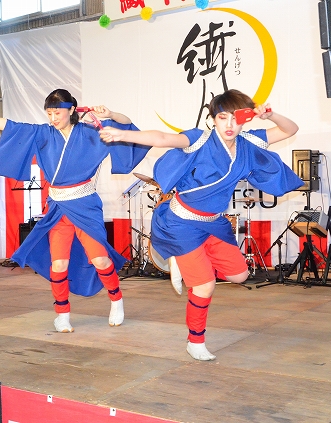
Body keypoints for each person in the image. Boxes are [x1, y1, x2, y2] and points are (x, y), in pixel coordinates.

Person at [99, 89, 303, 360]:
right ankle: (195, 341)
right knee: (205, 285)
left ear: (246, 119)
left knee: (239, 276)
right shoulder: (199, 139)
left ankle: (183, 261)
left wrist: (271, 115)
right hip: (181, 222)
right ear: (213, 118)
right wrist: (121, 135)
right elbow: (162, 138)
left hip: (213, 222)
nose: (229, 125)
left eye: (236, 118)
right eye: (223, 117)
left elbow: (290, 130)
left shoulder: (249, 141)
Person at [0, 88, 150, 332]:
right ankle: (62, 313)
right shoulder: (44, 133)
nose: (53, 118)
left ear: (71, 110)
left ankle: (116, 299)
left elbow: (125, 125)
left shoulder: (91, 132)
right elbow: (10, 126)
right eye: (49, 113)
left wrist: (111, 114)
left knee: (100, 259)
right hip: (58, 208)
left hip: (85, 206)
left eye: (57, 113)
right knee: (58, 264)